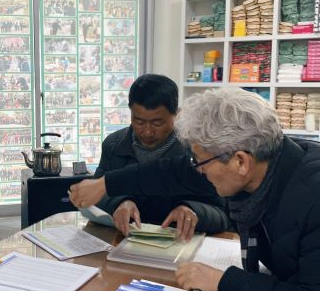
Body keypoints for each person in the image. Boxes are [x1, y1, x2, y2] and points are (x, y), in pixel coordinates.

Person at [70, 87, 320, 291]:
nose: (198, 170)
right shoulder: (269, 162)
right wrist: (106, 184)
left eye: (201, 162)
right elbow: (172, 173)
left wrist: (224, 281)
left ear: (240, 162)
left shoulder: (312, 197)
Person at [95, 74, 229, 237]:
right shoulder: (113, 145)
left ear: (176, 114)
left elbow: (223, 214)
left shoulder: (198, 151)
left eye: (157, 123)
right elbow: (96, 194)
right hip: (124, 240)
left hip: (181, 244)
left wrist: (193, 210)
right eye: (139, 121)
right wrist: (118, 203)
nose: (147, 132)